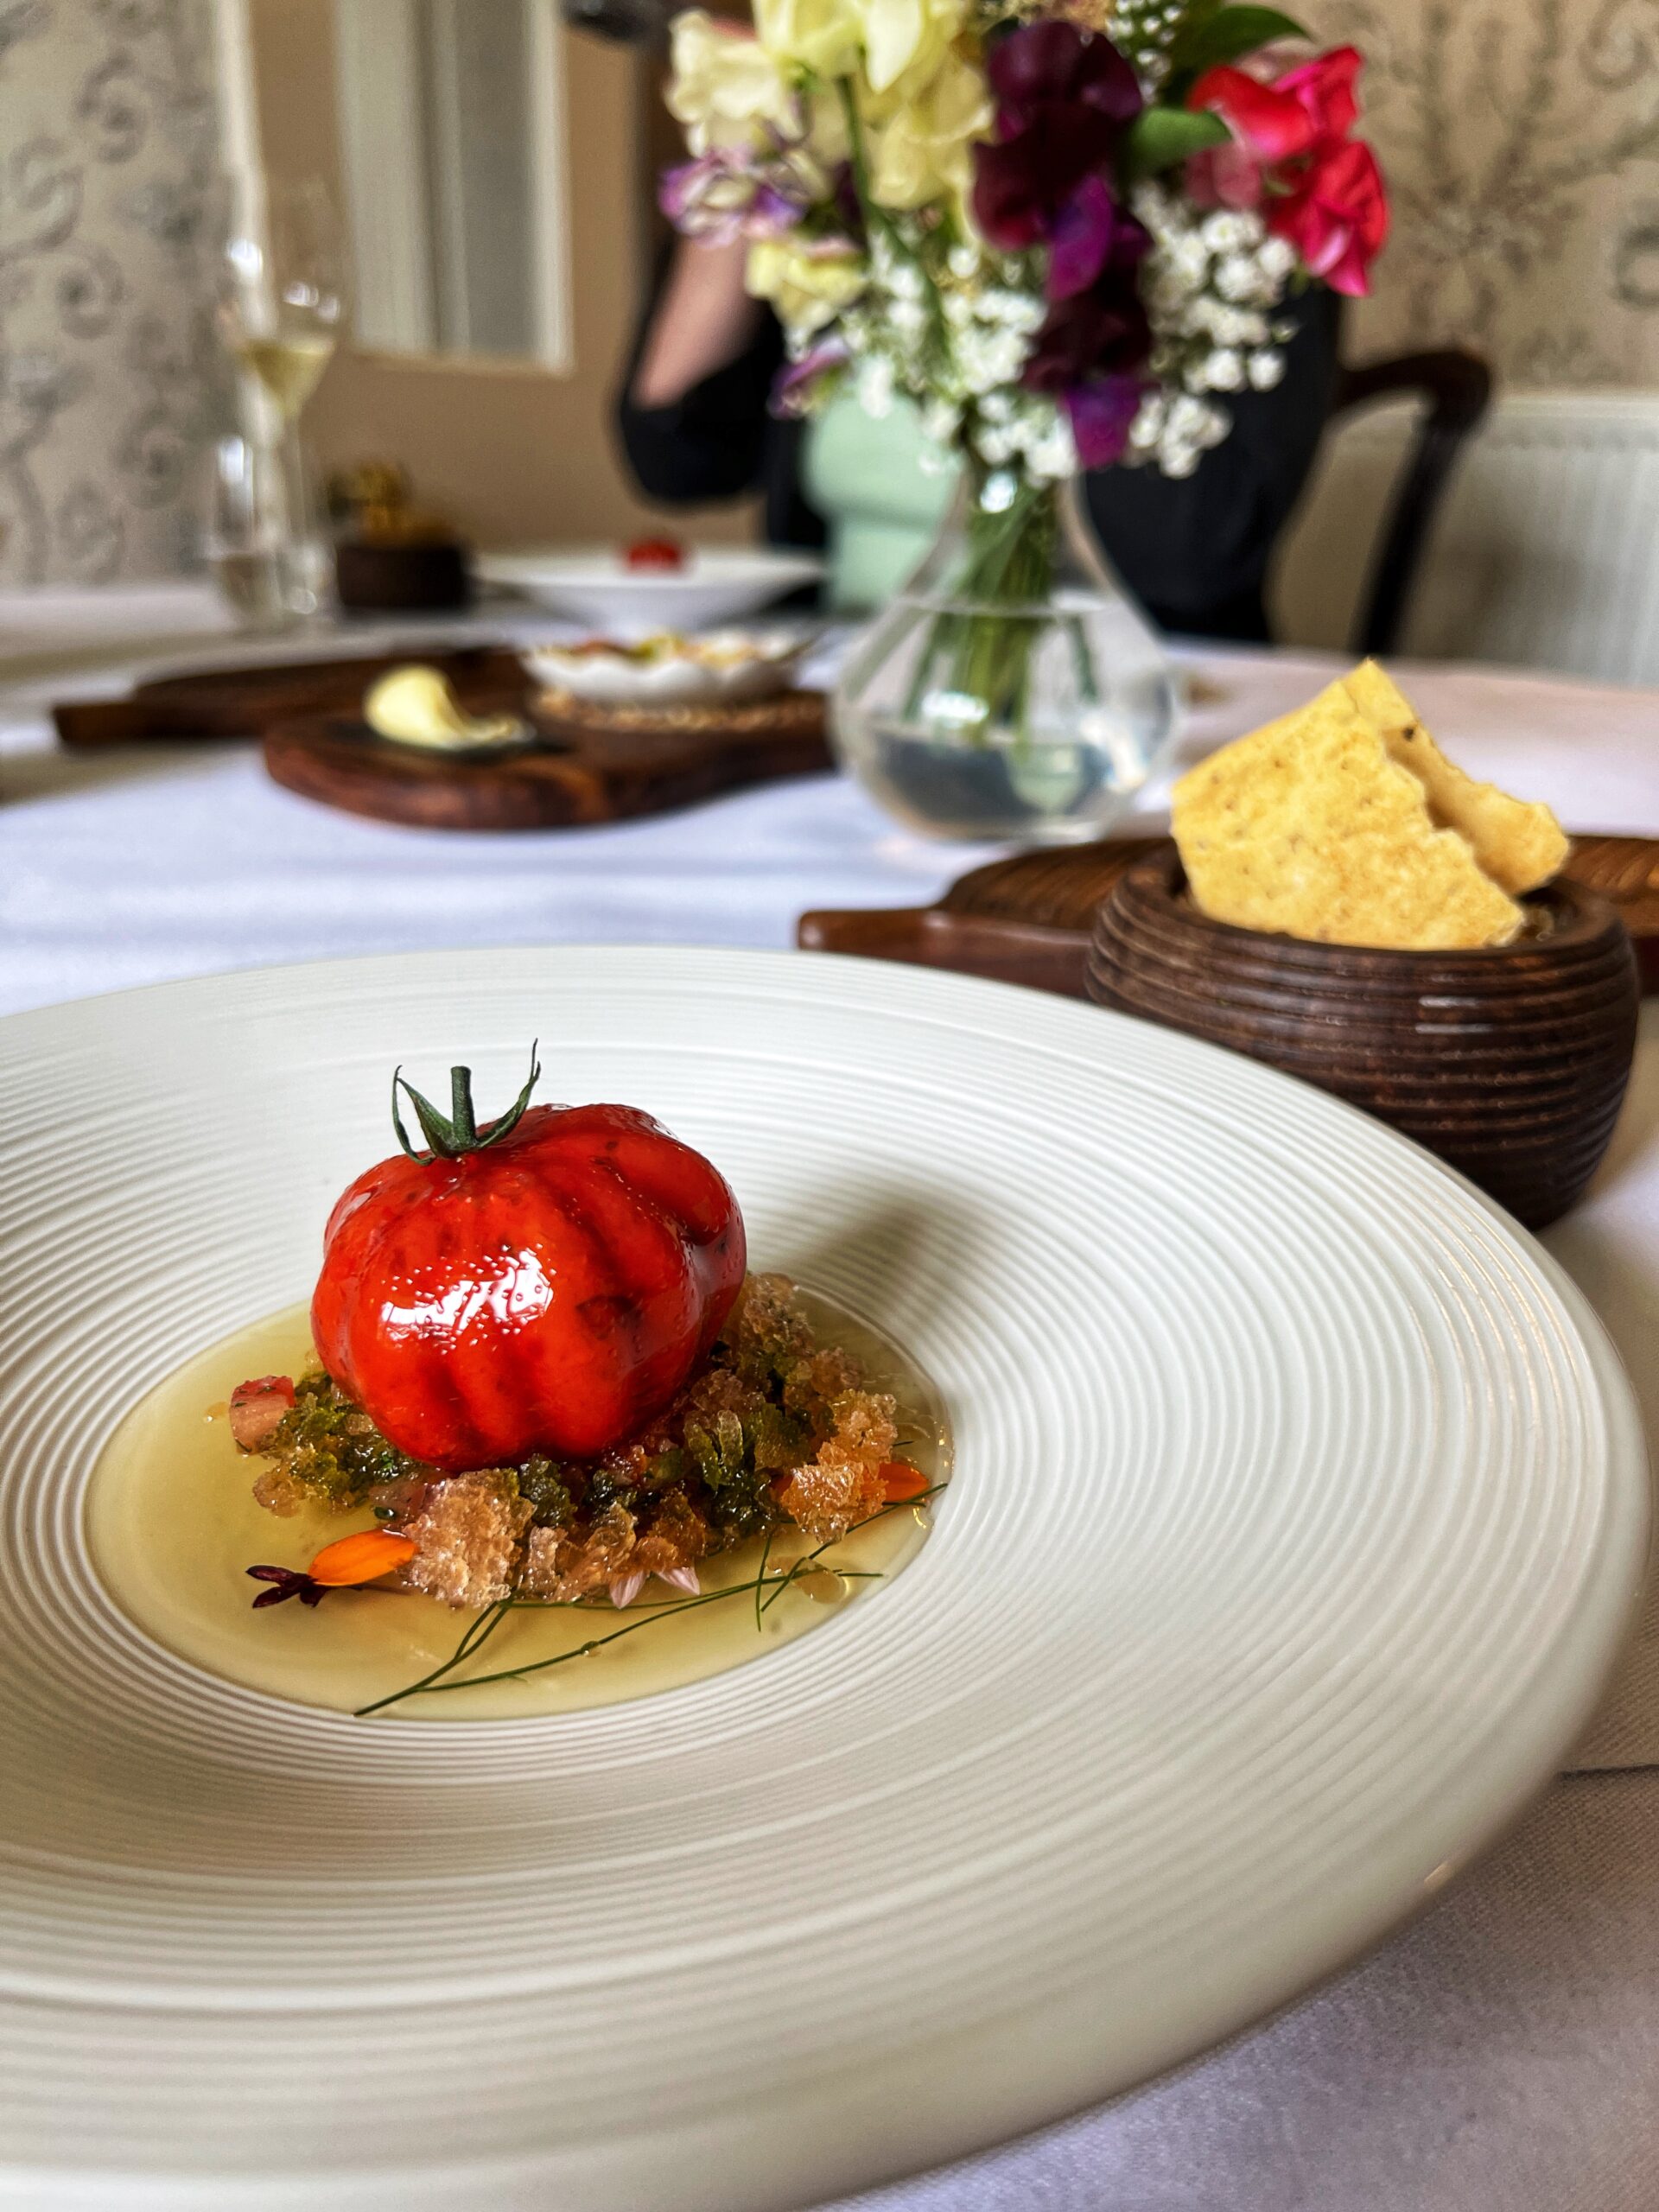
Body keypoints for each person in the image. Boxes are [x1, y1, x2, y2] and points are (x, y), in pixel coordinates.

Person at [617, 232, 1342, 642]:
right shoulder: (859, 161)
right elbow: (678, 464)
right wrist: (742, 166)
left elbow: (1192, 556)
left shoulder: (1222, 164)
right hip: (833, 678)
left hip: (1129, 687)